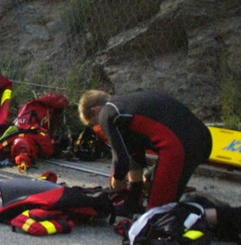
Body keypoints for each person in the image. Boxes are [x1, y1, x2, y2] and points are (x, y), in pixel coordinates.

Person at [77, 89, 213, 214]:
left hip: (178, 146)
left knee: (156, 214)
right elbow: (134, 151)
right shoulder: (130, 104)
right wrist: (136, 188)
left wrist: (117, 181)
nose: (100, 127)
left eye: (95, 123)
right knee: (153, 188)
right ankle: (134, 201)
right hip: (203, 140)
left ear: (95, 110)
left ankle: (209, 215)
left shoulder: (107, 112)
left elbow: (121, 160)